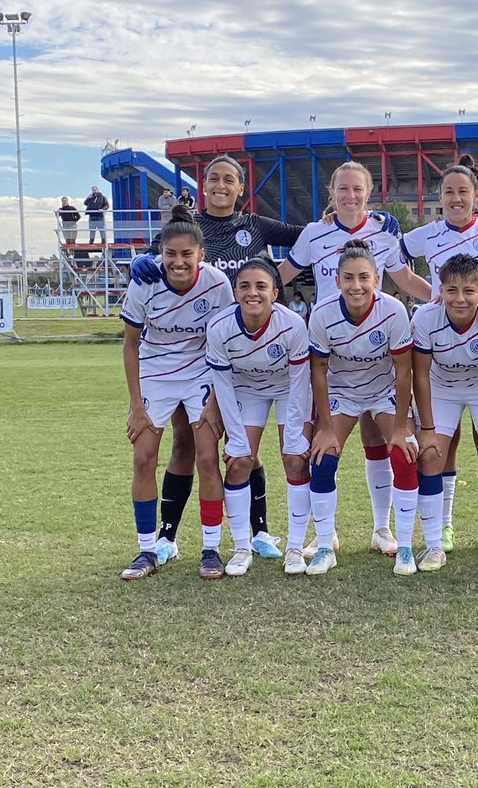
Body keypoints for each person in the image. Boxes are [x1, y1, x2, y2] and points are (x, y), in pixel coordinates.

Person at [278, 161, 431, 558]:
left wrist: (450, 300)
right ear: (331, 192)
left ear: (369, 191)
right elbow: (281, 275)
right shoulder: (315, 233)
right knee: (324, 448)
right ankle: (325, 535)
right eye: (342, 188)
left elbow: (407, 281)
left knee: (383, 442)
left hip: (378, 360)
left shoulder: (384, 231)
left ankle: (383, 530)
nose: (350, 196)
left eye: (357, 189)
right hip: (336, 355)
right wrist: (239, 298)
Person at [119, 206, 247, 581]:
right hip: (155, 371)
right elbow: (129, 346)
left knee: (207, 457)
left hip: (201, 371)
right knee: (144, 458)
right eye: (170, 254)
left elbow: (223, 342)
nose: (178, 262)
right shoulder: (144, 282)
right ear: (161, 254)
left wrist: (214, 402)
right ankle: (147, 550)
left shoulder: (217, 284)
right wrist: (137, 407)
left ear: (201, 255)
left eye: (186, 254)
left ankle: (211, 548)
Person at [401, 153, 478, 553]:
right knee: (439, 448)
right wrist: (428, 294)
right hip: (442, 344)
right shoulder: (426, 234)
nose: (455, 198)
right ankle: (442, 529)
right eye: (448, 191)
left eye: (462, 191)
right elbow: (390, 257)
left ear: (475, 195)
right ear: (440, 197)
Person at [307, 240, 419, 577]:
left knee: (403, 454)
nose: (357, 286)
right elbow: (319, 371)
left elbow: (404, 371)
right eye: (349, 278)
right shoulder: (323, 313)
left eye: (364, 278)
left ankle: (396, 540)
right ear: (338, 280)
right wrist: (325, 427)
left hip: (384, 389)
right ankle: (326, 543)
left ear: (377, 280)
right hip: (343, 390)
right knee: (323, 457)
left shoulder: (394, 311)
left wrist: (400, 427)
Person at [206, 258, 313, 575]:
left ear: (275, 293)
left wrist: (294, 435)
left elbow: (299, 383)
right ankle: (241, 547)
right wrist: (236, 439)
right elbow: (223, 386)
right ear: (235, 291)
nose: (253, 293)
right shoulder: (220, 327)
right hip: (247, 390)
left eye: (261, 286)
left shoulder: (292, 324)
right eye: (244, 286)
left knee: (295, 457)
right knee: (239, 460)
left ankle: (294, 547)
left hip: (288, 389)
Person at [413, 253, 478, 573]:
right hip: (441, 386)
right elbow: (420, 375)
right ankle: (434, 543)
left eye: (469, 290)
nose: (460, 298)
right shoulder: (424, 317)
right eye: (452, 290)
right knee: (430, 454)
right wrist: (428, 429)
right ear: (440, 290)